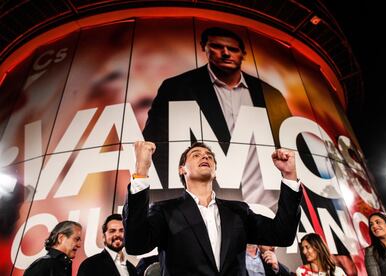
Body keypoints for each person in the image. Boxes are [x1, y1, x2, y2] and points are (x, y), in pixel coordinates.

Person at [143, 26, 291, 209]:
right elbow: (155, 146)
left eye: (233, 49)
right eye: (217, 47)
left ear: (243, 53)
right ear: (204, 48)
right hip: (207, 207)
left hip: (269, 207)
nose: (226, 53)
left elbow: (290, 148)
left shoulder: (271, 94)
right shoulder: (176, 87)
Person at [123, 140, 302, 275]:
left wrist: (289, 176)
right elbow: (136, 244)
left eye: (209, 156)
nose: (205, 156)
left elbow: (283, 235)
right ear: (182, 169)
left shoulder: (239, 211)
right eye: (196, 155)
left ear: (215, 172)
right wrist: (141, 170)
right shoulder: (165, 211)